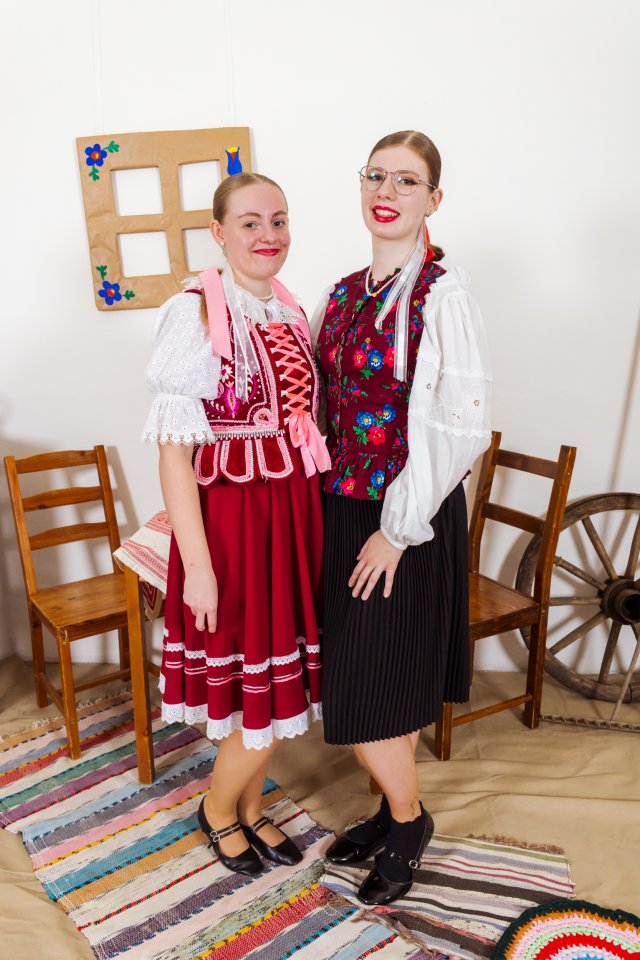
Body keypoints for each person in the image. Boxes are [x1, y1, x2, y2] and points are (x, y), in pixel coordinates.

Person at [314, 131, 492, 905]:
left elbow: (462, 427)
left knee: (373, 683)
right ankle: (394, 811)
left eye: (407, 181)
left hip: (403, 518)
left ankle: (409, 821)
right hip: (342, 509)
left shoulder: (443, 296)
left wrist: (397, 530)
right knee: (367, 680)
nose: (387, 191)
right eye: (376, 176)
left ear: (433, 199)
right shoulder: (343, 293)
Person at [143, 171, 329, 877]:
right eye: (250, 222)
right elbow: (174, 456)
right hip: (233, 528)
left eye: (278, 220)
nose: (268, 235)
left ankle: (249, 807)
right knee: (259, 680)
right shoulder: (192, 312)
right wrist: (198, 567)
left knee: (279, 684)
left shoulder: (288, 309)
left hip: (292, 518)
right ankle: (218, 809)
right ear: (219, 233)